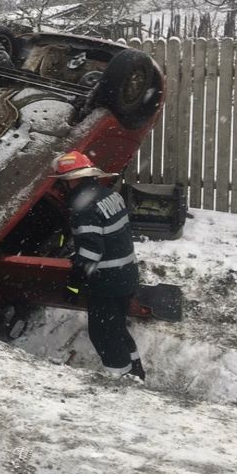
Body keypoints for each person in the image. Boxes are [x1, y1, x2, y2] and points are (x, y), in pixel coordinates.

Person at [52, 150, 145, 381]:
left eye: (63, 182)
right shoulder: (108, 195)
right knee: (117, 329)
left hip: (107, 283)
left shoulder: (82, 207)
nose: (62, 187)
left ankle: (120, 382)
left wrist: (74, 285)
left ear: (73, 179)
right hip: (127, 276)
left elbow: (91, 251)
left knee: (103, 334)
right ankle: (136, 372)